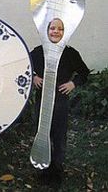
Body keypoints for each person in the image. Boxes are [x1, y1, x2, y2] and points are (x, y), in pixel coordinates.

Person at [31, 18, 89, 184]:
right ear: (46, 31)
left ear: (65, 32)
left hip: (60, 103)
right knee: (42, 134)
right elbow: (24, 67)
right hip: (42, 102)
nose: (56, 31)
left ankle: (57, 170)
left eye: (60, 29)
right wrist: (34, 77)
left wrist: (73, 83)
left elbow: (84, 72)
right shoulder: (37, 52)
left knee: (59, 136)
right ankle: (42, 170)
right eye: (52, 28)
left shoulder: (70, 54)